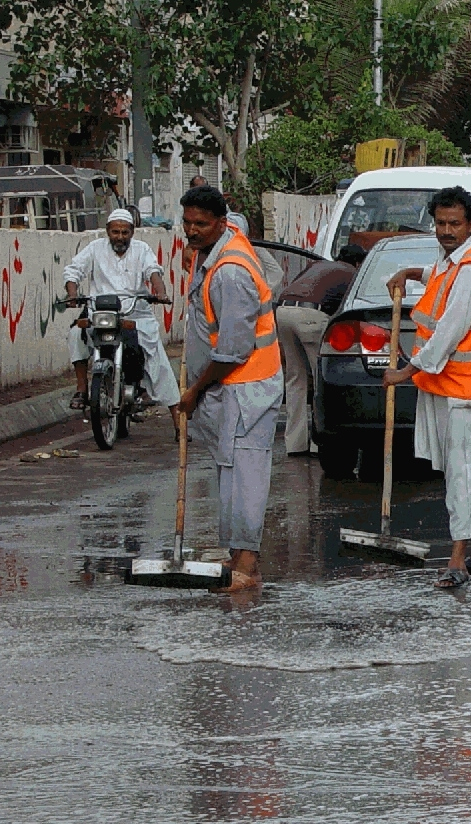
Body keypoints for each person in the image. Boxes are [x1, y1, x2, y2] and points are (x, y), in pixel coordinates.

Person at [382, 187, 471, 590]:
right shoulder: (449, 263)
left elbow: (449, 331)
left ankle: (458, 559)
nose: (446, 231)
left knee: (464, 476)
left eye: (455, 224)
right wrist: (410, 273)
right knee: (467, 474)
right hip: (450, 387)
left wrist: (406, 371)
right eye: (440, 223)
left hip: (468, 392)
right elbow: (439, 278)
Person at [177, 185, 283, 592]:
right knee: (231, 472)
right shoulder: (215, 255)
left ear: (221, 223)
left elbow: (233, 350)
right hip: (234, 386)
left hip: (247, 385)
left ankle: (248, 566)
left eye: (200, 224)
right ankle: (237, 557)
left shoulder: (231, 271)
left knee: (246, 476)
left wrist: (194, 391)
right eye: (187, 223)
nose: (192, 231)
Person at [63, 209, 174, 421]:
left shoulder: (142, 250)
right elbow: (73, 270)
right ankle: (81, 388)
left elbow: (153, 271)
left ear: (132, 232)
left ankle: (142, 388)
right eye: (115, 232)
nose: (120, 237)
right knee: (76, 334)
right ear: (108, 231)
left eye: (125, 232)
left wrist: (160, 292)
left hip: (135, 309)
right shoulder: (95, 248)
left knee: (150, 349)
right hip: (100, 308)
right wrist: (72, 294)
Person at [275, 243, 366, 455]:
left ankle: (295, 444)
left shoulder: (318, 265)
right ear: (358, 262)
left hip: (283, 311)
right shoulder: (352, 273)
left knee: (295, 379)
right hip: (311, 316)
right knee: (320, 380)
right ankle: (319, 444)